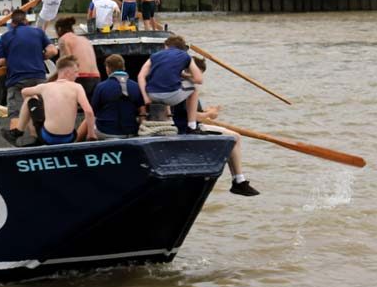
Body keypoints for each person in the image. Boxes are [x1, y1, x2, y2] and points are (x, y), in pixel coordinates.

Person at [139, 35, 258, 196]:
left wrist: (206, 114)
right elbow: (186, 113)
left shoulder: (169, 79)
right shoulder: (180, 87)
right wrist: (209, 114)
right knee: (235, 137)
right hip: (182, 127)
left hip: (185, 120)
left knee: (233, 137)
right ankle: (239, 181)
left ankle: (239, 180)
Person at [0, 10, 58, 145]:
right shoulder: (38, 32)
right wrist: (40, 57)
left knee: (16, 112)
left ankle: (14, 142)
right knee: (37, 110)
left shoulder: (6, 37)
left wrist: (12, 60)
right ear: (26, 21)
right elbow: (53, 50)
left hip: (17, 80)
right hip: (38, 78)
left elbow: (0, 61)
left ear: (12, 23)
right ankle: (39, 140)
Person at [16, 56, 96, 146]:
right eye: (76, 72)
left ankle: (23, 133)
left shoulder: (45, 87)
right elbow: (89, 112)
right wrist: (91, 134)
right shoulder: (77, 87)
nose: (77, 75)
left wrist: (34, 106)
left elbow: (24, 91)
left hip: (48, 137)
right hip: (69, 138)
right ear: (67, 73)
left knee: (29, 99)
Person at [89, 54, 144, 140]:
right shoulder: (136, 86)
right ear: (124, 67)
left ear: (107, 69)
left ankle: (76, 145)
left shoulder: (101, 87)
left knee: (88, 118)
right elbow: (142, 112)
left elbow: (92, 112)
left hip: (106, 133)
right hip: (131, 133)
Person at [54, 17, 100, 97]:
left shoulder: (63, 39)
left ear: (59, 29)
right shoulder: (84, 39)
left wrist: (50, 81)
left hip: (80, 78)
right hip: (96, 77)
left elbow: (65, 64)